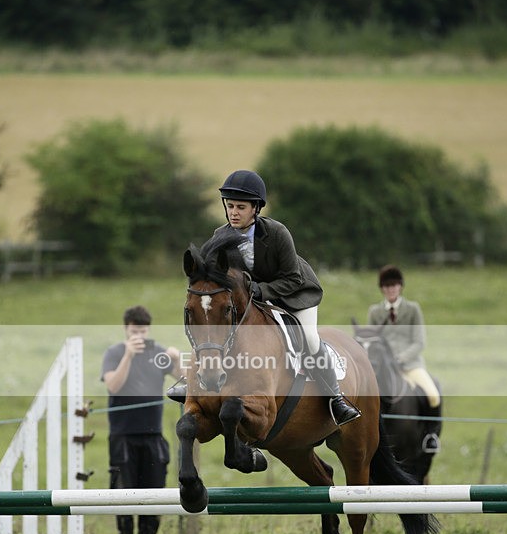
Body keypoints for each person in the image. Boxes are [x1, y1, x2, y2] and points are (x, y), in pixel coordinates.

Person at [169, 169, 360, 425]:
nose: (233, 212)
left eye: (240, 207)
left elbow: (293, 278)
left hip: (293, 294)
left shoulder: (277, 233)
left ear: (256, 209)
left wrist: (260, 291)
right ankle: (192, 381)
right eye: (229, 206)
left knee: (310, 339)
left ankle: (335, 397)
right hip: (250, 302)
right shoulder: (219, 237)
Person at [101, 305, 181, 534]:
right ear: (126, 329)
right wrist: (128, 356)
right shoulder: (114, 353)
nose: (139, 336)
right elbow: (113, 385)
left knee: (154, 490)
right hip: (122, 434)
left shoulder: (157, 352)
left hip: (153, 434)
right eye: (135, 331)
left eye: (143, 331)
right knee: (122, 492)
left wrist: (176, 361)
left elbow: (184, 379)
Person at [367, 264, 441, 450]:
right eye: (386, 286)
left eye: (394, 286)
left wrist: (400, 358)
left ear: (400, 287)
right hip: (383, 369)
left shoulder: (413, 309)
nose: (390, 289)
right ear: (382, 289)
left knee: (432, 395)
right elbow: (371, 340)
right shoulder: (375, 312)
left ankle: (430, 436)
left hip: (411, 365)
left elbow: (419, 342)